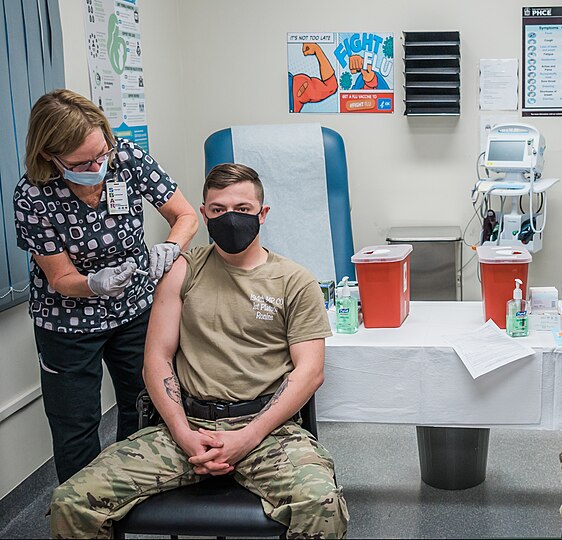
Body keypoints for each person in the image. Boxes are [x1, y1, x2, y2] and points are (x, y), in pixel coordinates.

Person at [49, 163, 349, 538]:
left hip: (266, 430)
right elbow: (156, 360)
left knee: (320, 503)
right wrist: (182, 432)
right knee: (72, 500)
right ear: (204, 214)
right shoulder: (183, 270)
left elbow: (310, 372)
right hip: (186, 427)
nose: (230, 219)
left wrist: (247, 437)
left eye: (242, 209)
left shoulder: (294, 280)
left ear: (263, 213)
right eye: (219, 210)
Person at [13, 89, 198, 483]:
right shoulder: (32, 195)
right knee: (75, 427)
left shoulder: (126, 158)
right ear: (50, 156)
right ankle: (85, 513)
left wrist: (170, 246)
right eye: (83, 161)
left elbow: (184, 214)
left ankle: (135, 496)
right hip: (67, 323)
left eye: (102, 153)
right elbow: (60, 278)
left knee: (144, 407)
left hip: (134, 310)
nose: (99, 164)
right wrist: (93, 285)